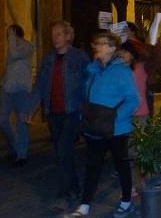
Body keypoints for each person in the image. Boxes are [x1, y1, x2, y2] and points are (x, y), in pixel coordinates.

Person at [66, 32, 139, 218]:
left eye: (101, 43)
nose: (96, 46)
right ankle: (84, 205)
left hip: (116, 128)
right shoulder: (92, 70)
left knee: (121, 164)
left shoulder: (122, 71)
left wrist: (115, 117)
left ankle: (126, 201)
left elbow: (133, 100)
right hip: (94, 127)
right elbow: (87, 97)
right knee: (93, 166)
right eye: (96, 43)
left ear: (113, 48)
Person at [30, 21, 90, 212]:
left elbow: (89, 82)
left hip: (72, 112)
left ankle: (63, 195)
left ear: (68, 36)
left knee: (63, 151)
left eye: (58, 34)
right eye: (53, 34)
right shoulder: (48, 59)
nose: (55, 38)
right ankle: (75, 189)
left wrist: (87, 108)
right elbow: (40, 85)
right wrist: (30, 108)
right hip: (53, 113)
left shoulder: (79, 57)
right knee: (64, 154)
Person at [0, 24, 34, 166]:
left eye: (10, 33)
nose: (8, 36)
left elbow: (14, 55)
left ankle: (22, 155)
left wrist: (12, 38)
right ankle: (16, 147)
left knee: (22, 122)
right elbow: (9, 64)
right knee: (2, 120)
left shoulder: (28, 46)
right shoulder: (11, 46)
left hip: (22, 89)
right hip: (7, 88)